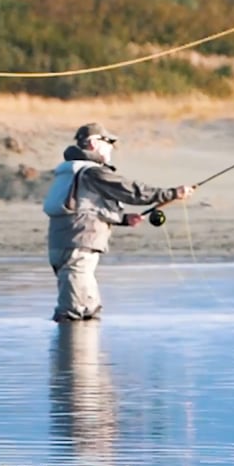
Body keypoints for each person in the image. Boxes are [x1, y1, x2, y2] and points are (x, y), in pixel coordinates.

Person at [42, 123, 192, 322]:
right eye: (109, 142)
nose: (112, 147)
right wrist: (172, 194)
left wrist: (122, 219)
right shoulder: (91, 172)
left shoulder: (70, 171)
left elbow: (83, 206)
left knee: (89, 310)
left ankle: (82, 351)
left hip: (66, 245)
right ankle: (73, 352)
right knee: (72, 313)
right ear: (94, 143)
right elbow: (131, 191)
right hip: (78, 247)